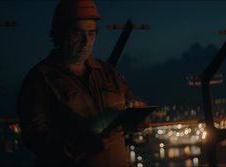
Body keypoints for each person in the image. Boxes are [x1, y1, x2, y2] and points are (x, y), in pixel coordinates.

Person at [17, 0, 146, 166]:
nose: (86, 41)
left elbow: (132, 105)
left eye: (91, 33)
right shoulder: (40, 78)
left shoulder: (107, 72)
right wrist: (81, 144)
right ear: (60, 35)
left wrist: (138, 116)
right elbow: (34, 136)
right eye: (77, 33)